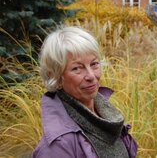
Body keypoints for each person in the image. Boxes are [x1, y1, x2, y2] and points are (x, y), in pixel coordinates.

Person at [33, 26, 137, 158]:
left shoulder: (109, 115)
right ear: (56, 77)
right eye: (77, 68)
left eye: (94, 64)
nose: (91, 76)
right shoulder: (57, 147)